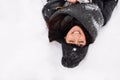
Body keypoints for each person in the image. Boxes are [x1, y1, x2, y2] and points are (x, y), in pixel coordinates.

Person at [42, 0, 118, 68]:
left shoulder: (56, 19)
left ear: (65, 38)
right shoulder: (99, 18)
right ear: (86, 40)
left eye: (71, 41)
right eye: (81, 42)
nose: (76, 36)